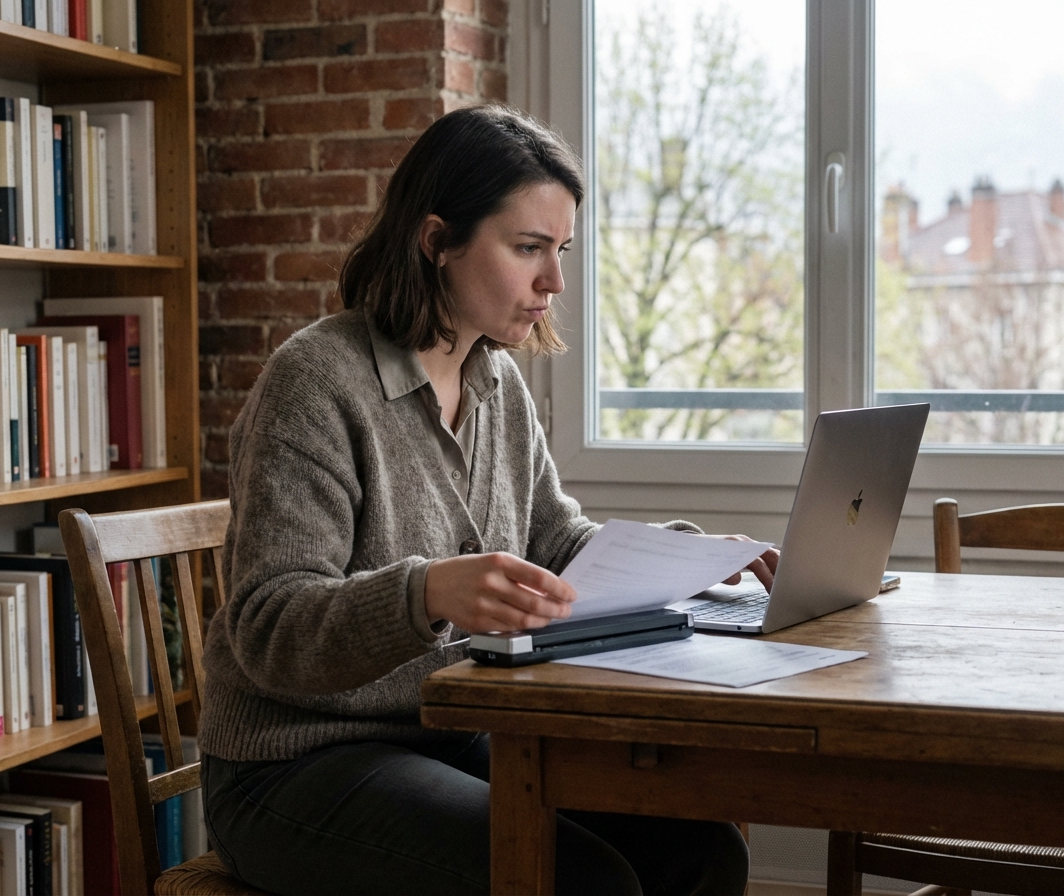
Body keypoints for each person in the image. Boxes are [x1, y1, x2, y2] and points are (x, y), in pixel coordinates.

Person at [199, 104, 778, 896]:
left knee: (703, 852)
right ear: (436, 240)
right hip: (295, 766)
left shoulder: (494, 378)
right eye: (529, 248)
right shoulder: (316, 381)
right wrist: (427, 591)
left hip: (450, 735)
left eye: (561, 250)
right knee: (582, 882)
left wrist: (697, 559)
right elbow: (267, 626)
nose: (555, 282)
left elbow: (554, 537)